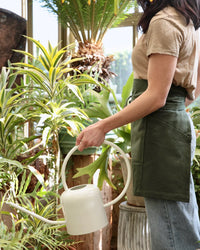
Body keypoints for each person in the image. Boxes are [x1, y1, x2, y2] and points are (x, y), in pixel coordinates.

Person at [76, 0, 200, 249]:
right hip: (168, 128)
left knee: (171, 233)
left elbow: (155, 95)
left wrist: (102, 126)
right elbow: (191, 92)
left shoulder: (164, 21)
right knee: (181, 224)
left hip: (161, 133)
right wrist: (173, 112)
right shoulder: (185, 19)